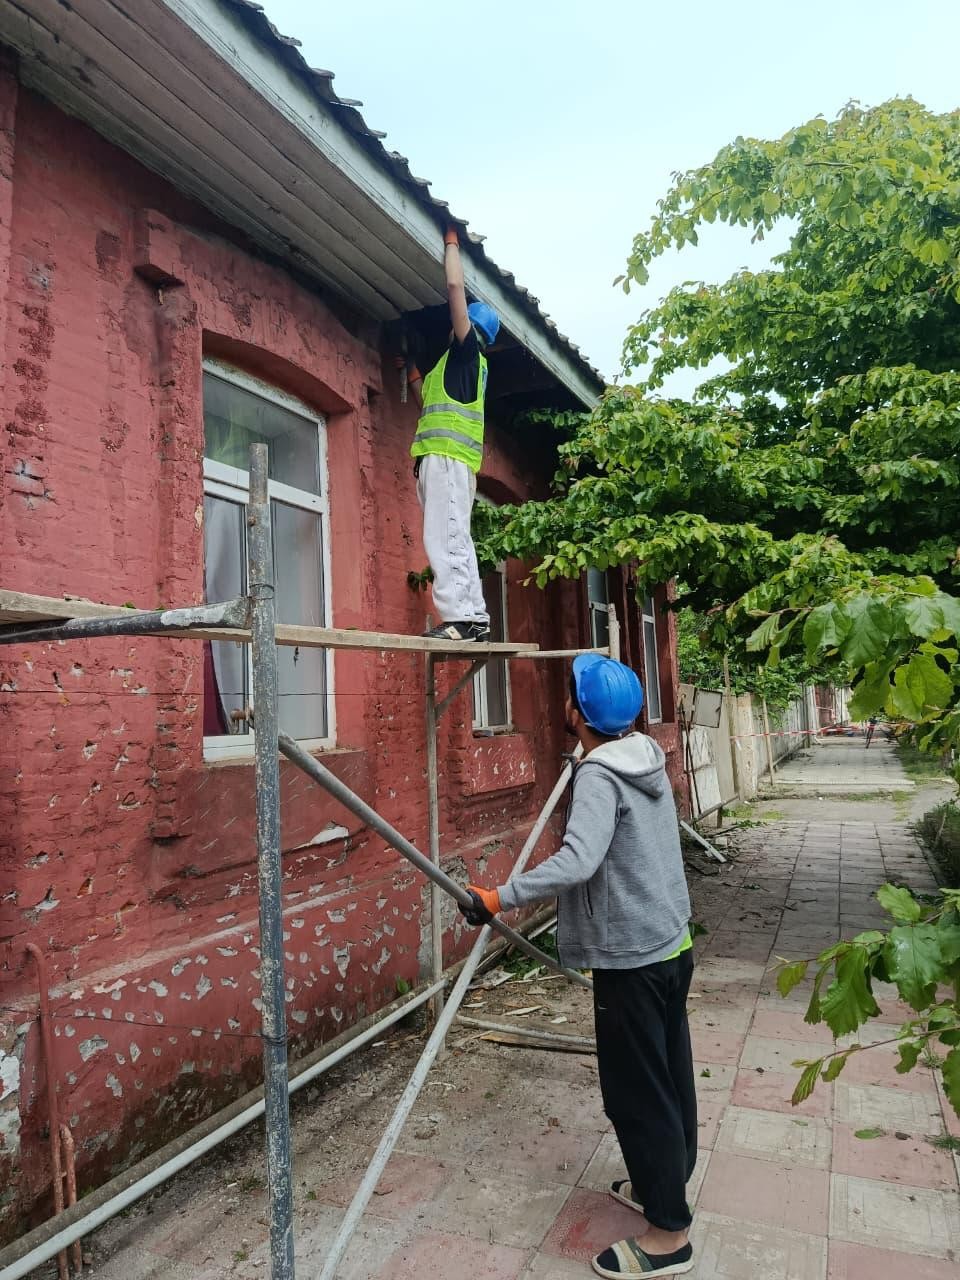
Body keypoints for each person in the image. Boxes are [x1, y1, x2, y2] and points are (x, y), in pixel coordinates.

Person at [462, 654, 697, 1278]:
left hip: (633, 957)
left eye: (568, 697)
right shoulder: (645, 753)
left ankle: (668, 1236)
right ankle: (662, 1187)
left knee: (637, 1093)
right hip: (671, 944)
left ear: (576, 714)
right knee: (670, 1075)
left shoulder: (599, 776)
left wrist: (499, 898)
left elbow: (578, 860)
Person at [404, 227, 500, 642]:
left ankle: (464, 620)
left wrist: (451, 243)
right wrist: (408, 365)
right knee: (452, 535)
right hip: (444, 462)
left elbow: (455, 285)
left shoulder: (466, 354)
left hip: (446, 461)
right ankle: (472, 615)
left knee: (445, 537)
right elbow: (424, 397)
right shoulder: (454, 370)